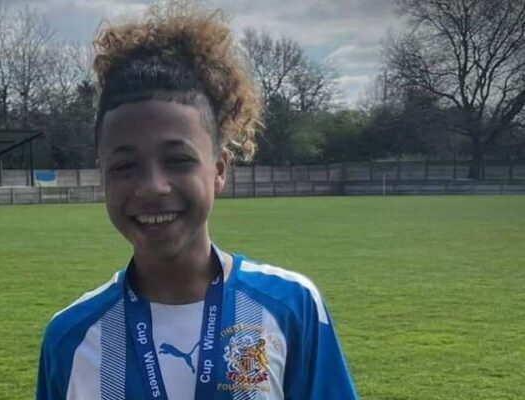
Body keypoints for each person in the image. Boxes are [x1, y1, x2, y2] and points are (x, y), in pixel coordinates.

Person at [36, 2, 357, 399]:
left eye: (178, 160)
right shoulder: (70, 337)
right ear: (102, 175)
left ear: (219, 169)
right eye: (125, 165)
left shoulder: (292, 307)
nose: (153, 187)